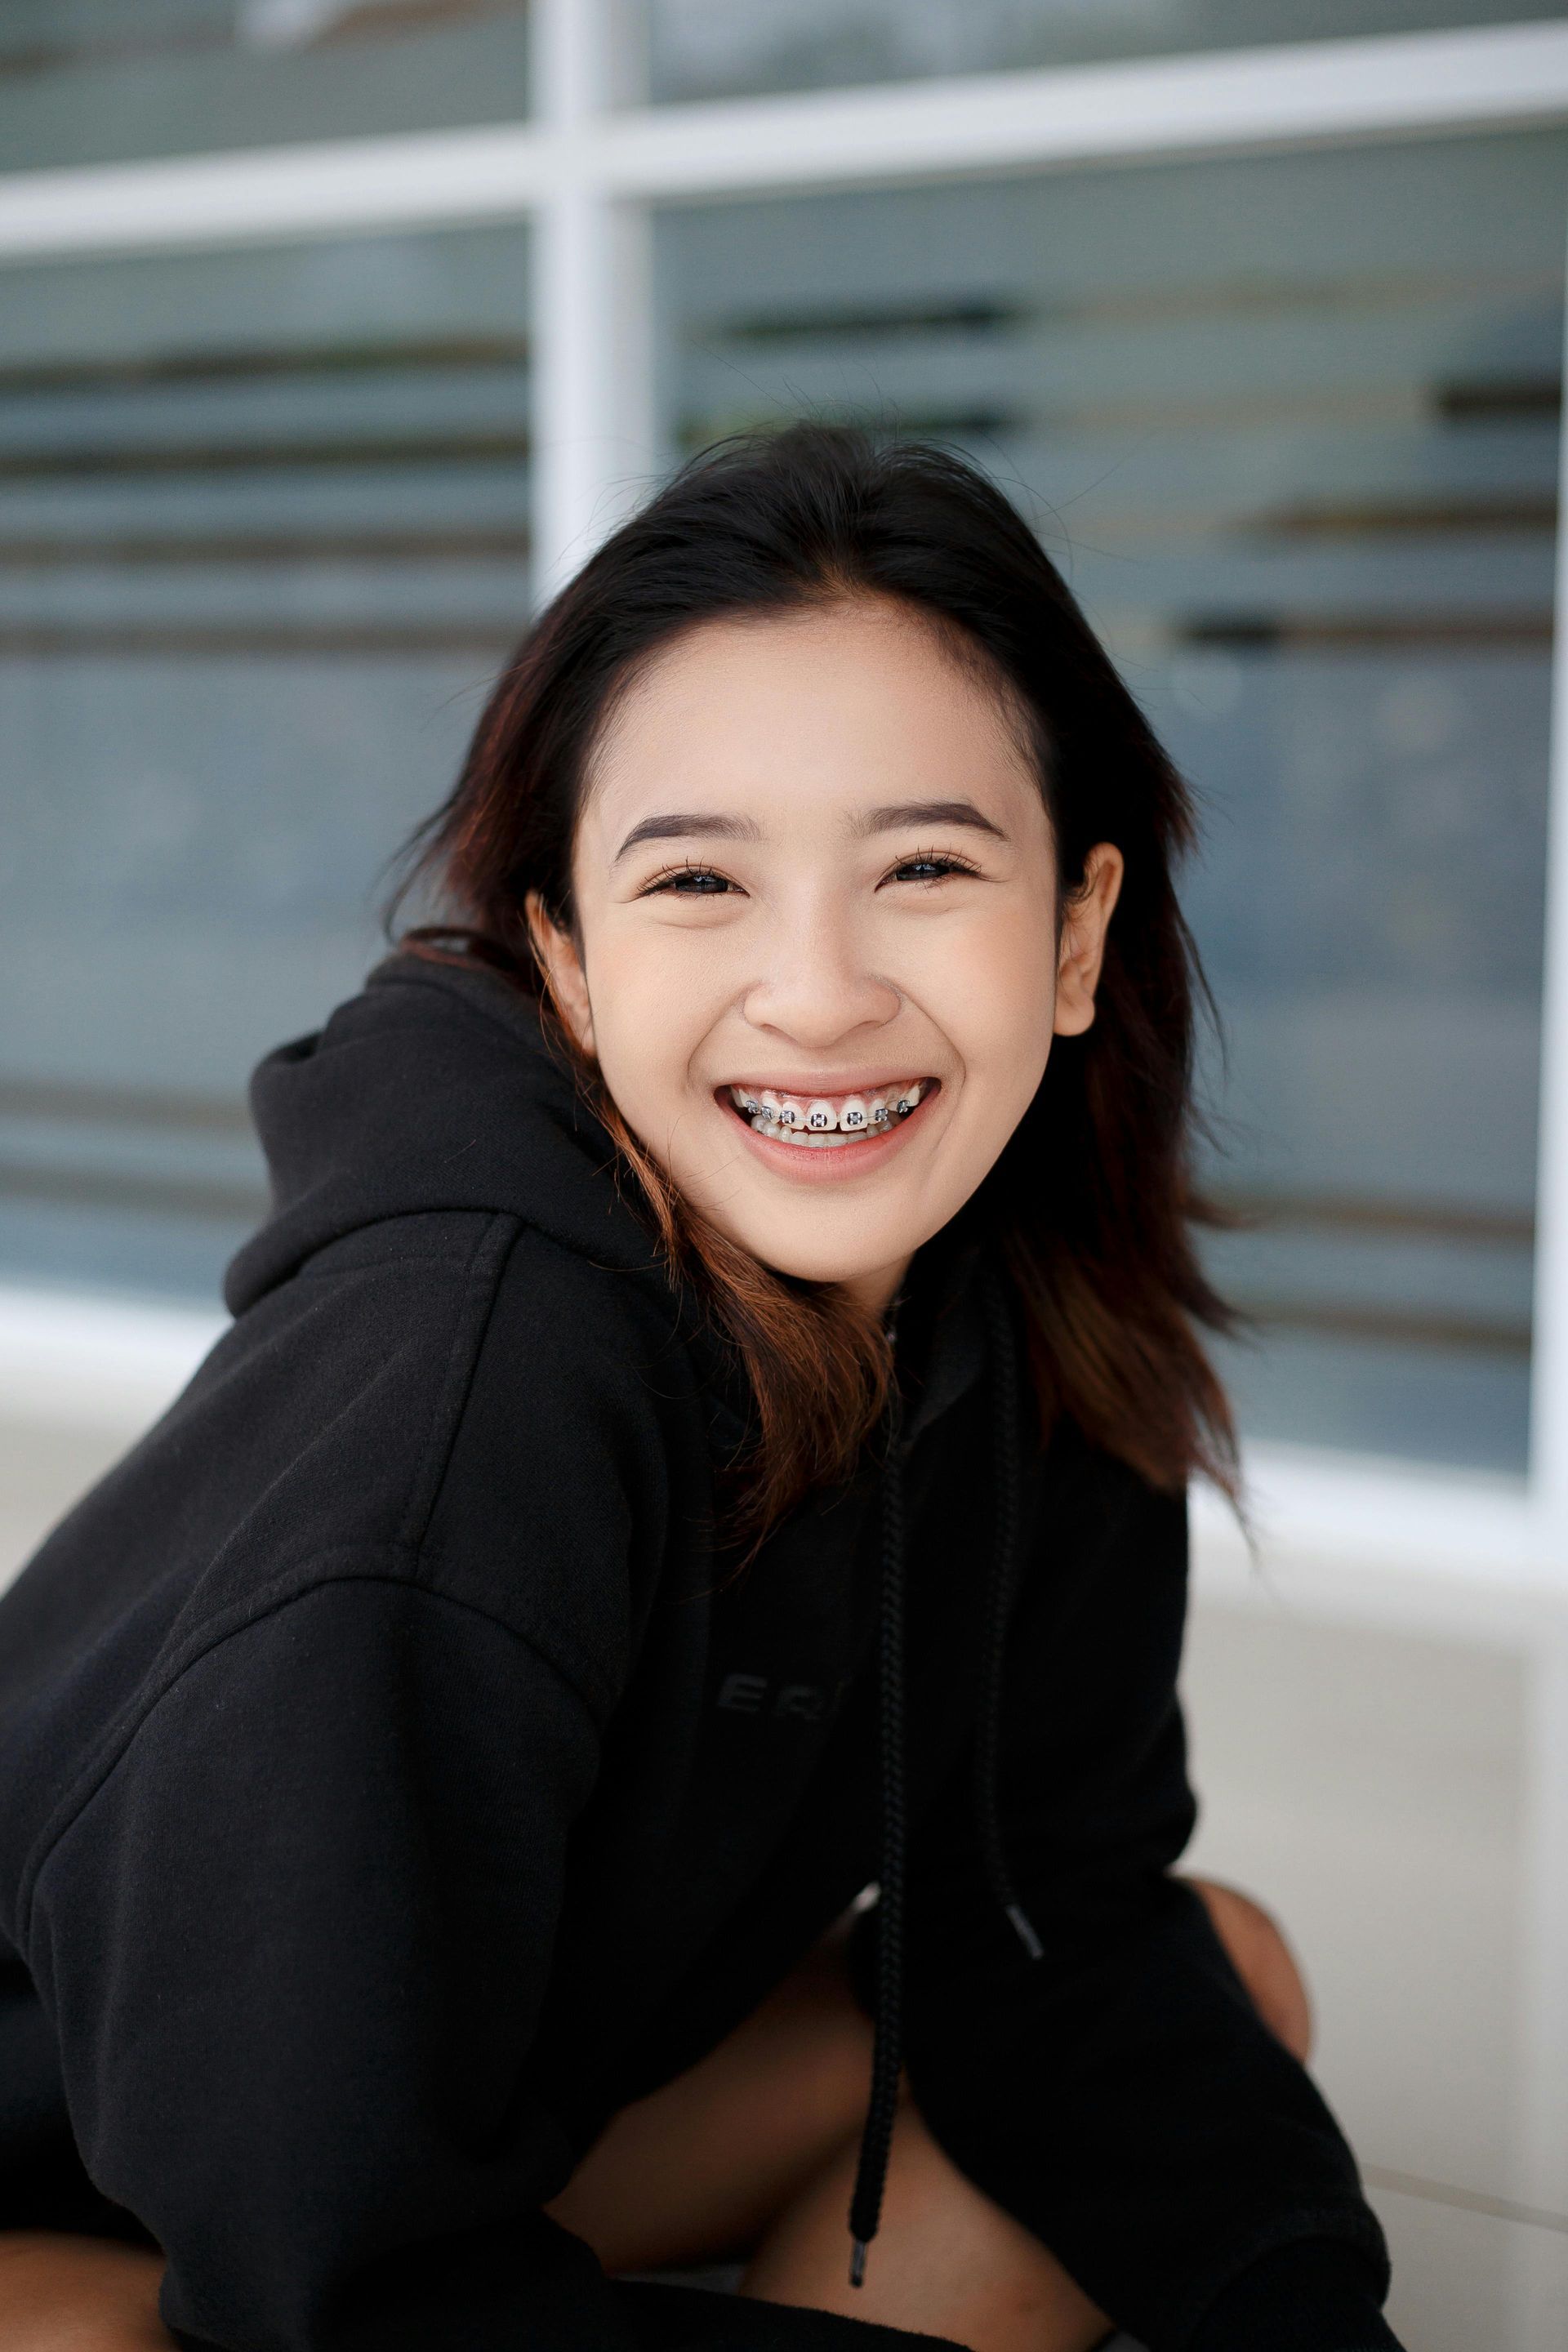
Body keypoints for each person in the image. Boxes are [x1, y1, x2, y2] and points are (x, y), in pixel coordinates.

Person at [0, 426, 1402, 2352]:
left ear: (1074, 934)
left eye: (922, 865)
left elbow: (1053, 1921)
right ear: (564, 966)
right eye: (698, 885)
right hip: (100, 2181)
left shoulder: (1022, 1300)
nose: (818, 993)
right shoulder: (460, 1399)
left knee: (1207, 1980)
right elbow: (327, 2271)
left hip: (418, 2133)